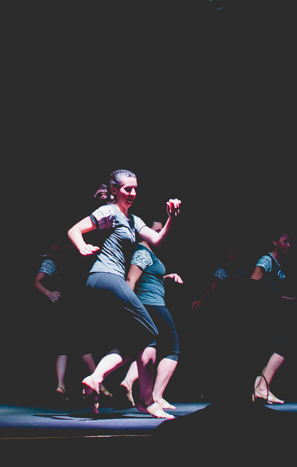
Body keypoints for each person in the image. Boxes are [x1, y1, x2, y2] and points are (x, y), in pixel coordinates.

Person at [66, 169, 181, 419]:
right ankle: (147, 400)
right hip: (105, 277)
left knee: (136, 341)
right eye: (128, 189)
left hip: (107, 282)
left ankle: (95, 378)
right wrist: (82, 246)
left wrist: (171, 217)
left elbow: (158, 240)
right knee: (151, 333)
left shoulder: (133, 220)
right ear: (114, 190)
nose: (133, 193)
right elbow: (74, 230)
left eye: (135, 188)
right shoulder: (109, 212)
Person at [118, 222, 184, 410]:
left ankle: (128, 382)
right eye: (156, 231)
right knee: (172, 349)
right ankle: (155, 396)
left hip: (150, 304)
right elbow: (130, 279)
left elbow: (148, 276)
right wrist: (128, 309)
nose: (160, 234)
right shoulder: (143, 252)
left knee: (146, 347)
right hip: (152, 305)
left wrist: (166, 277)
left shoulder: (149, 253)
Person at [32, 237, 105, 402]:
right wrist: (49, 293)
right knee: (79, 346)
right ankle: (97, 384)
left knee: (67, 347)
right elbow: (36, 281)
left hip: (70, 306)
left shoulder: (65, 260)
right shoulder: (51, 261)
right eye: (58, 244)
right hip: (65, 308)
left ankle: (63, 385)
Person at [249, 231, 297, 404]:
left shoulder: (279, 264)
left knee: (270, 350)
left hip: (275, 312)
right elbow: (253, 282)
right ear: (275, 242)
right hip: (264, 312)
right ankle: (263, 388)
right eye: (286, 241)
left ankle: (259, 388)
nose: (289, 245)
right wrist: (276, 298)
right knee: (283, 347)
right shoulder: (266, 260)